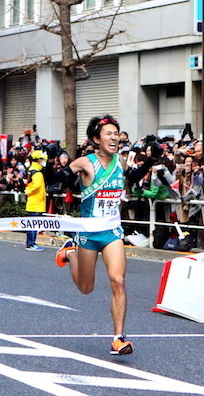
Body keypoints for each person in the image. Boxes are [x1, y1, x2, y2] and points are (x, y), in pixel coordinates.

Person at [53, 115, 158, 356]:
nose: (114, 138)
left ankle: (118, 339)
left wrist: (151, 159)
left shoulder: (120, 161)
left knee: (118, 281)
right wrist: (63, 177)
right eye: (108, 134)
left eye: (116, 134)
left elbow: (130, 179)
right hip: (88, 233)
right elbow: (56, 180)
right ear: (95, 139)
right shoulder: (85, 163)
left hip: (112, 231)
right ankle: (70, 254)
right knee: (86, 288)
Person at [24, 150, 47, 251]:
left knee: (31, 224)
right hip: (37, 202)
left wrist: (28, 191)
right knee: (34, 224)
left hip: (32, 201)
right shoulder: (37, 173)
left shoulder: (31, 170)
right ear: (38, 160)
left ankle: (30, 243)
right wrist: (29, 191)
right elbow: (37, 186)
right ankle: (31, 244)